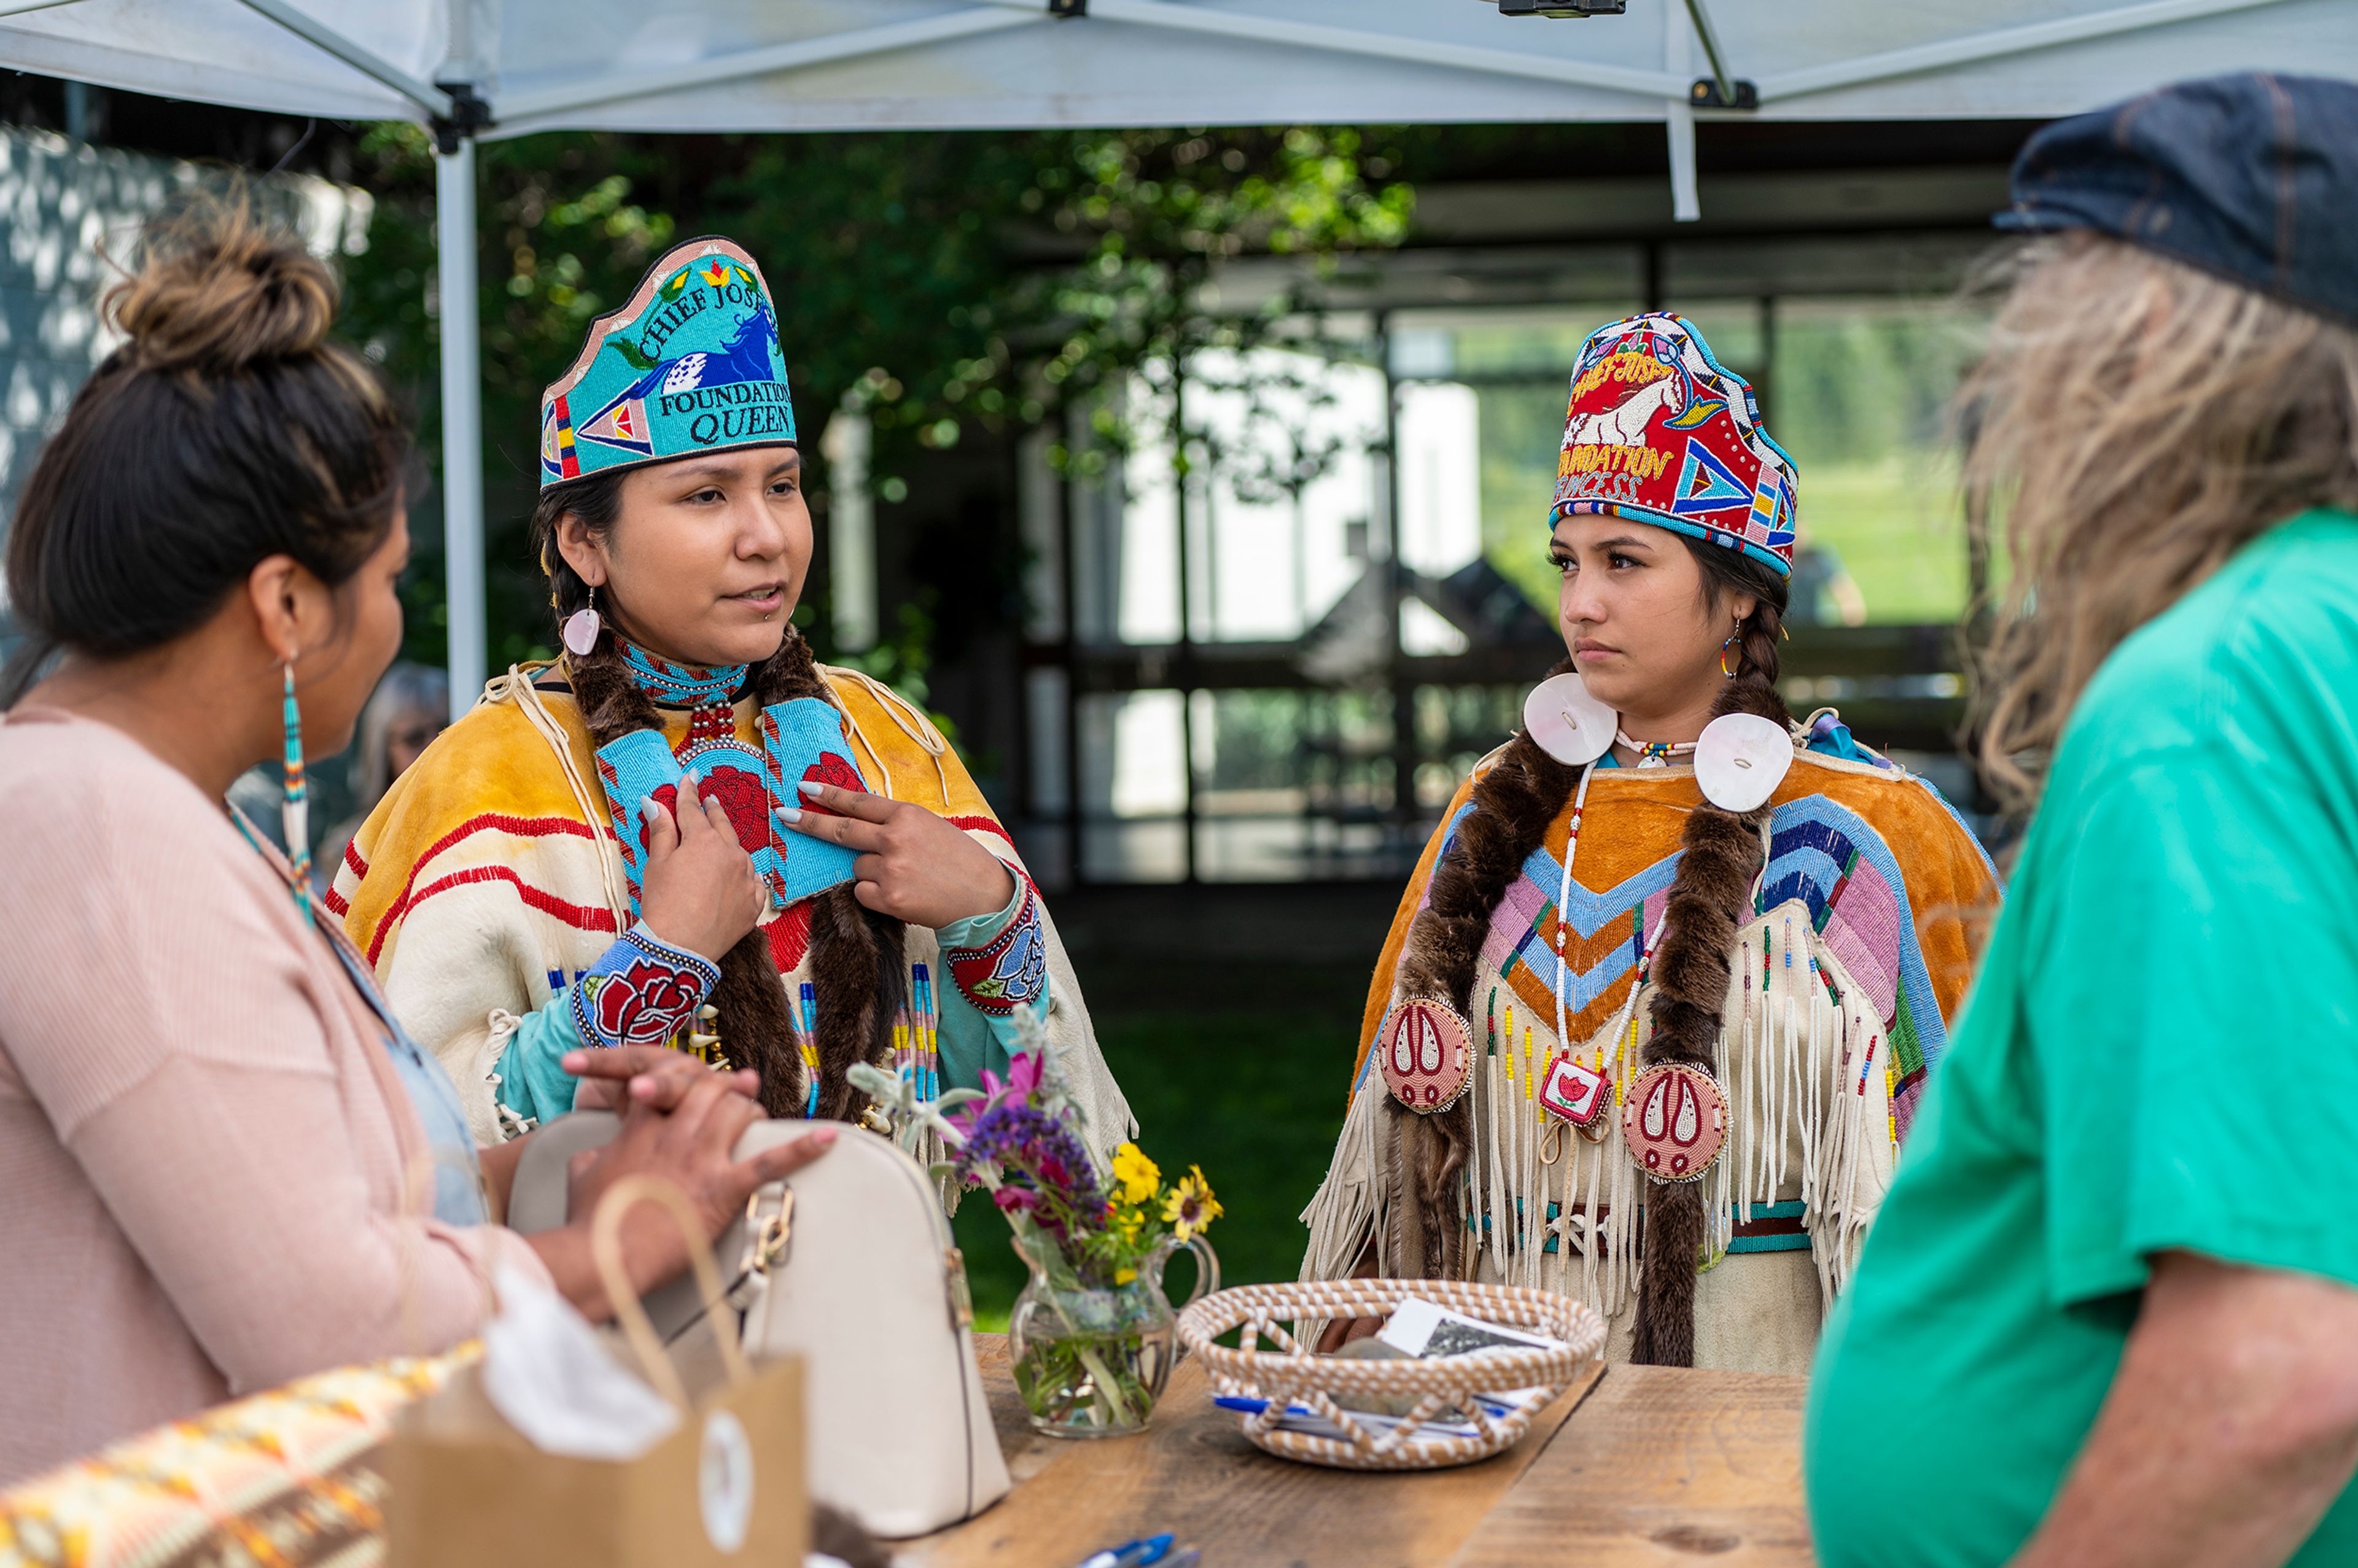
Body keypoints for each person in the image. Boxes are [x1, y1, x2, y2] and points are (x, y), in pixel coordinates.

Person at [0, 211, 833, 1486]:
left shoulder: (126, 813)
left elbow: (319, 1200)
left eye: (780, 487)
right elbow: (328, 1321)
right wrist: (638, 1228)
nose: (395, 623)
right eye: (387, 579)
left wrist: (561, 1157)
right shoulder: (97, 832)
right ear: (286, 604)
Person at [1808, 73, 2358, 1568]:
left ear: (2159, 335)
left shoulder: (2211, 689)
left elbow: (2281, 1365)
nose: (2006, 389)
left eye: (2044, 307)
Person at [1300, 311, 1997, 1371]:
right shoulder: (1496, 811)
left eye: (1626, 561)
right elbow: (1382, 1143)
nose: (1581, 602)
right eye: (1568, 561)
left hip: (1760, 1404)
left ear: (1740, 599)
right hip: (1501, 1380)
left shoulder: (1865, 833)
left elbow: (1982, 1163)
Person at [333, 235, 1132, 1155]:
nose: (766, 536)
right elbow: (410, 1137)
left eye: (783, 486)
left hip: (875, 1289)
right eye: (708, 496)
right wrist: (659, 960)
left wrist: (987, 912)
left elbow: (1045, 1145)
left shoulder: (887, 744)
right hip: (607, 1296)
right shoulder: (481, 781)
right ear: (584, 545)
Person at [314, 660, 448, 891]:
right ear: (382, 751)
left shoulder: (488, 826)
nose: (434, 746)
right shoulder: (349, 852)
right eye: (414, 738)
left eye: (445, 730)